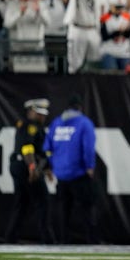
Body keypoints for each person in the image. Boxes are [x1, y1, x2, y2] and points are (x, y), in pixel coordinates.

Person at [43, 95, 98, 244]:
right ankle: (91, 239)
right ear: (80, 108)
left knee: (63, 209)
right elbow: (88, 148)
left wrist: (51, 165)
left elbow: (47, 147)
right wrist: (89, 166)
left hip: (60, 173)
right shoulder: (84, 123)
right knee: (87, 208)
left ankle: (62, 240)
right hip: (79, 172)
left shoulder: (56, 123)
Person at [5, 98, 55, 244]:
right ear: (31, 111)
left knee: (22, 204)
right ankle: (48, 239)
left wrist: (46, 169)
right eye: (39, 113)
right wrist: (32, 168)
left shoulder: (35, 127)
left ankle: (11, 237)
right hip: (26, 167)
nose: (42, 116)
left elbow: (41, 151)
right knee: (43, 202)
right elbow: (28, 148)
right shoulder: (30, 126)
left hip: (20, 165)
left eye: (43, 114)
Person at [63, 0, 102, 74]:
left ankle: (92, 91)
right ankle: (73, 90)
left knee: (94, 66)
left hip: (93, 29)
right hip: (77, 28)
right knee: (74, 66)